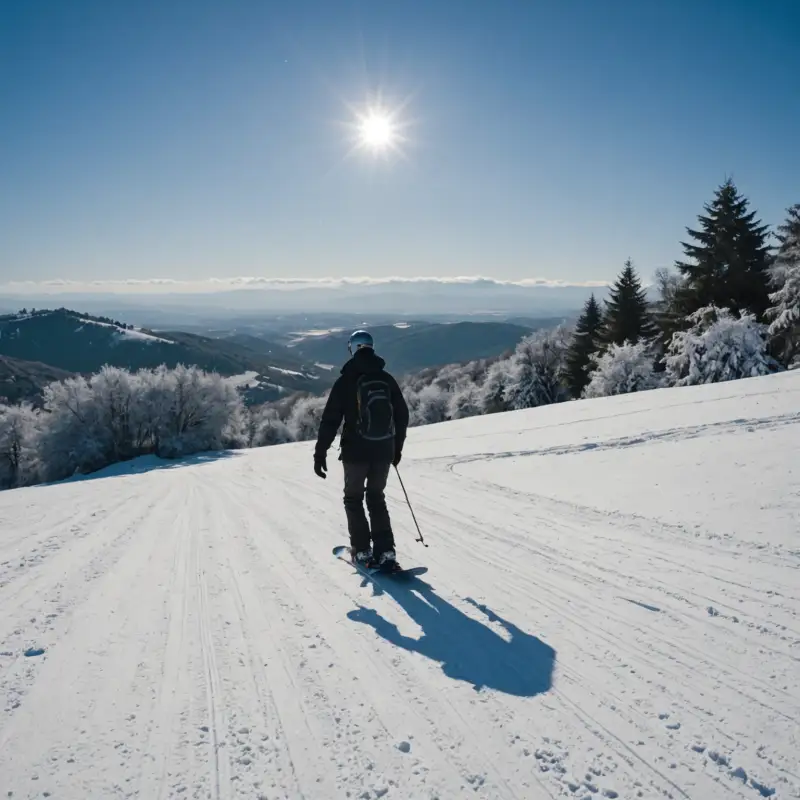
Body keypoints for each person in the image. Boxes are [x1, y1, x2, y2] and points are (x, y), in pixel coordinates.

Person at [313, 329, 409, 569]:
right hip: (384, 450)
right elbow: (402, 415)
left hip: (355, 452)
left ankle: (363, 551)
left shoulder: (345, 380)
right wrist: (396, 448)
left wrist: (320, 452)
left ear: (352, 349)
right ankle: (386, 551)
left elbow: (330, 420)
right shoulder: (386, 378)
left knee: (353, 499)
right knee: (377, 498)